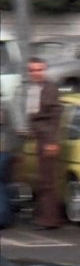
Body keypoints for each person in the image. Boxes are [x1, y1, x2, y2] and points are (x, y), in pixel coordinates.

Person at [25, 57, 64, 228]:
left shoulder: (49, 88)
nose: (36, 73)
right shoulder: (31, 89)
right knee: (40, 179)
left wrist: (52, 141)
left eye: (39, 70)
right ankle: (41, 214)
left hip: (47, 138)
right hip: (37, 137)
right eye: (33, 70)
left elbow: (54, 117)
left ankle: (50, 219)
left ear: (45, 70)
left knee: (47, 180)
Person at [0, 97, 23, 229]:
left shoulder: (5, 105)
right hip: (8, 150)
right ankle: (8, 213)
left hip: (3, 150)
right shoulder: (8, 103)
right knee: (7, 183)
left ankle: (3, 217)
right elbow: (17, 128)